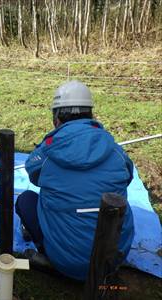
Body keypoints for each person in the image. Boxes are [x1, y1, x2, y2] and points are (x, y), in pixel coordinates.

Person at [15, 80, 135, 281]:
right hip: (113, 258)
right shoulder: (116, 151)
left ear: (56, 119)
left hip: (66, 262)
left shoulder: (47, 154)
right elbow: (128, 177)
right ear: (91, 115)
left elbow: (33, 173)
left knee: (26, 200)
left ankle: (47, 254)